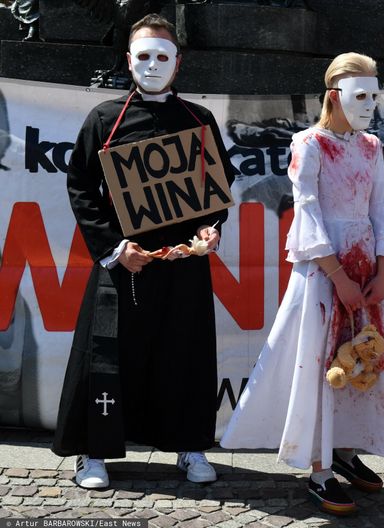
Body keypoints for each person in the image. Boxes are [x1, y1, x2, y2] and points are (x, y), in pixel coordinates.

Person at [220, 52, 384, 516]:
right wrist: (338, 277)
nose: (370, 104)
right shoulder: (308, 143)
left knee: (364, 354)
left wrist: (383, 267)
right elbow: (306, 210)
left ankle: (346, 451)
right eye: (360, 95)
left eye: (375, 95)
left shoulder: (372, 146)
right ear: (335, 95)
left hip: (367, 266)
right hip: (323, 269)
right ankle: (319, 468)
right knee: (321, 360)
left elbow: (377, 209)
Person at [52, 13, 235, 489]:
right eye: (144, 56)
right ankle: (93, 453)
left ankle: (190, 446)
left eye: (162, 56)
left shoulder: (201, 119)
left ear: (178, 63)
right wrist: (113, 248)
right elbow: (81, 187)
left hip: (182, 264)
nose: (153, 65)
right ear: (128, 61)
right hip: (122, 263)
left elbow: (218, 188)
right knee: (108, 355)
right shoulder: (103, 119)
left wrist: (210, 230)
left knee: (185, 353)